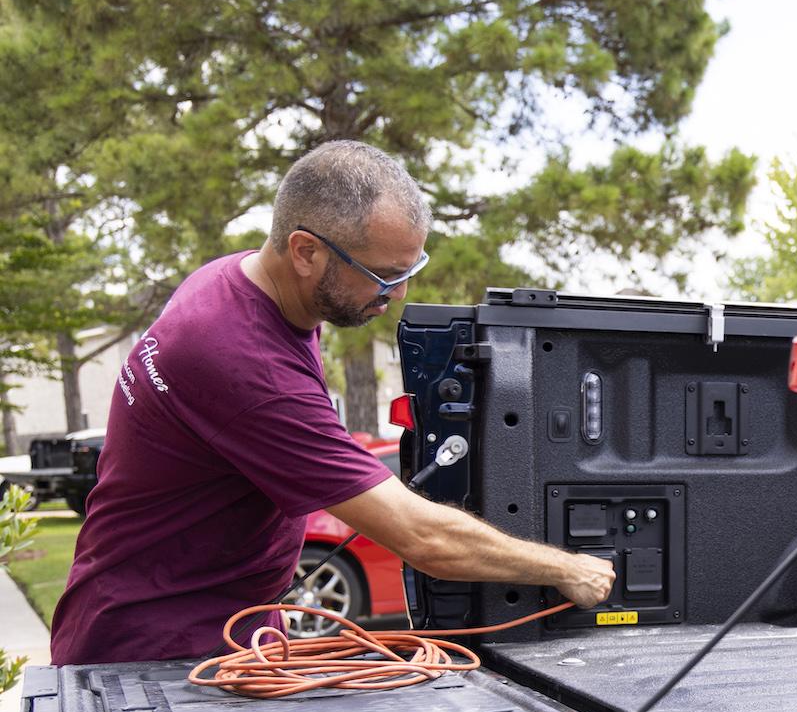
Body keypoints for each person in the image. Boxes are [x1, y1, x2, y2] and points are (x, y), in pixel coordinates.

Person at [50, 141, 615, 665]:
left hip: (227, 625)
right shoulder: (239, 360)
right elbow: (424, 539)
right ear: (305, 251)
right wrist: (565, 567)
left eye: (410, 271)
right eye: (382, 276)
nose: (398, 296)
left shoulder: (238, 284)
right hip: (151, 647)